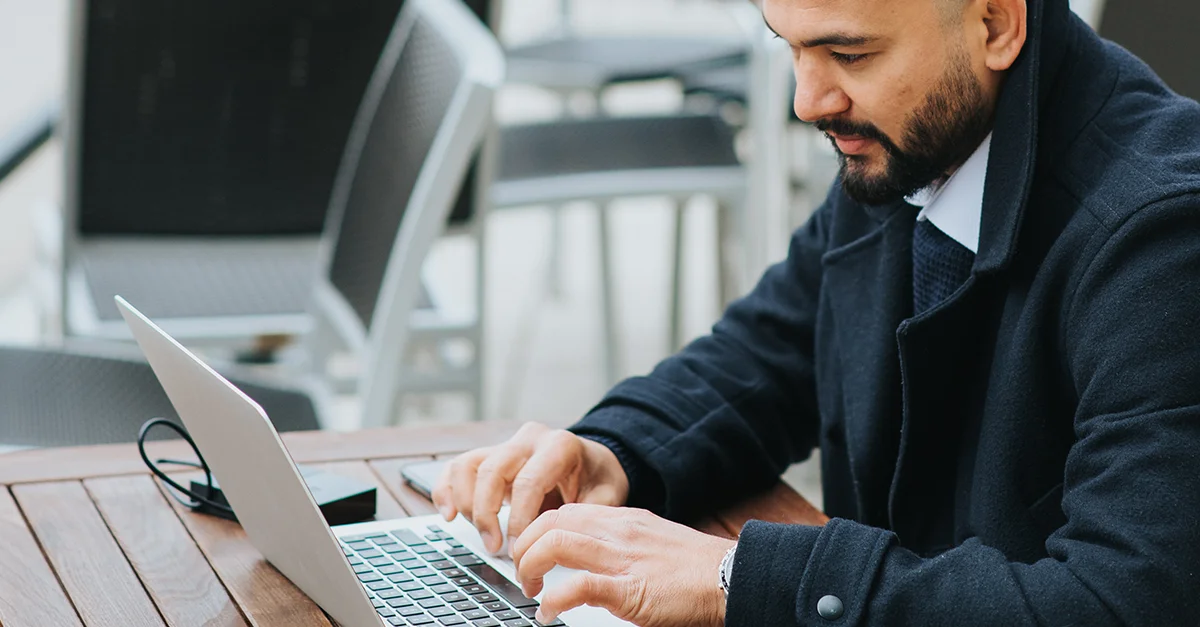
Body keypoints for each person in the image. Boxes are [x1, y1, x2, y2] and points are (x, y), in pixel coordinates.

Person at [434, 0, 1200, 624]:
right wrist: (614, 450)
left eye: (850, 54)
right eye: (789, 46)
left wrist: (740, 579)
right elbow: (770, 351)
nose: (809, 101)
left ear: (995, 24)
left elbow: (1124, 600)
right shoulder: (924, 132)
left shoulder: (1161, 240)